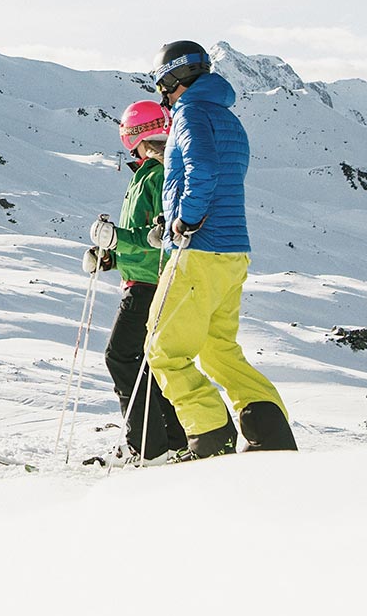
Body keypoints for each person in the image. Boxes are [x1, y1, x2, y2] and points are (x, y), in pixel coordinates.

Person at [145, 39, 297, 457]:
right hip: (232, 250)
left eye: (163, 86)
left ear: (175, 78)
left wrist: (187, 219)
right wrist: (172, 215)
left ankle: (210, 439)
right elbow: (222, 174)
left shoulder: (190, 113)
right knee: (217, 350)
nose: (163, 96)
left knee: (162, 350)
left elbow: (203, 169)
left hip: (200, 249)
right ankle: (270, 437)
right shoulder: (226, 117)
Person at [84, 101, 190, 461]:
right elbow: (146, 237)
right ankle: (173, 441)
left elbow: (154, 237)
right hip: (145, 280)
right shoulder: (147, 173)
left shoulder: (158, 175)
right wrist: (111, 256)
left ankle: (147, 445)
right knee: (147, 362)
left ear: (132, 136)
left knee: (120, 357)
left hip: (149, 284)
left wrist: (118, 240)